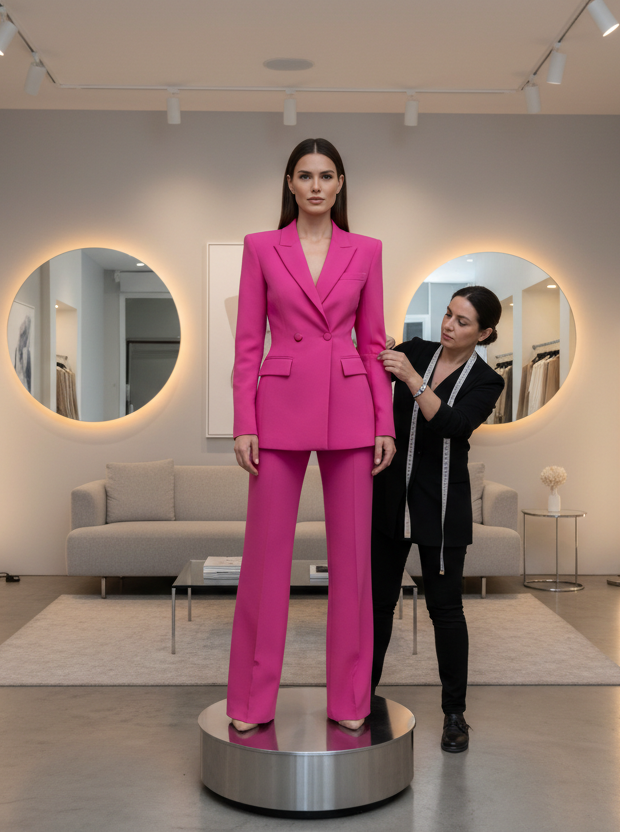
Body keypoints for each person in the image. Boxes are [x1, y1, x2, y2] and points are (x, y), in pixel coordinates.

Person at [227, 139, 396, 733]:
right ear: (291, 184)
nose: (317, 185)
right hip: (278, 410)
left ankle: (350, 702)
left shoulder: (368, 251)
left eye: (327, 175)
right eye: (306, 176)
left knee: (353, 565)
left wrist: (385, 423)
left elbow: (373, 344)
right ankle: (250, 703)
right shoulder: (260, 248)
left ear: (341, 183)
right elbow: (248, 345)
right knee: (264, 562)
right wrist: (244, 422)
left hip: (351, 409)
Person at [371, 286, 506, 752]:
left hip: (443, 504)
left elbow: (452, 426)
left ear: (484, 333)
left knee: (445, 612)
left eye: (462, 321)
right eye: (448, 315)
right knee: (377, 606)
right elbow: (366, 379)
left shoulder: (487, 381)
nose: (448, 325)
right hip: (389, 497)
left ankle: (454, 715)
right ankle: (360, 700)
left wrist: (410, 379)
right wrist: (376, 351)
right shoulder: (414, 351)